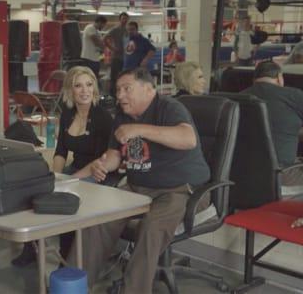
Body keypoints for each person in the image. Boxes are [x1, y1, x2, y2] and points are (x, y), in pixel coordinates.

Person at [70, 67, 211, 294]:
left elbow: (188, 138)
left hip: (179, 190)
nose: (120, 95)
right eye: (118, 90)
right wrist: (101, 165)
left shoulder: (169, 107)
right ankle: (73, 286)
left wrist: (139, 129)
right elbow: (115, 156)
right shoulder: (122, 118)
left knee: (151, 229)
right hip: (136, 188)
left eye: (127, 89)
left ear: (148, 89)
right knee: (98, 220)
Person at [11, 66, 113, 267]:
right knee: (37, 192)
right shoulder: (67, 113)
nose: (84, 91)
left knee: (65, 203)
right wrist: (55, 177)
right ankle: (32, 249)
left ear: (94, 88)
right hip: (74, 171)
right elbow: (61, 151)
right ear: (70, 90)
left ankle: (66, 259)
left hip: (97, 174)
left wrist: (69, 180)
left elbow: (101, 160)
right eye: (78, 86)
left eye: (89, 85)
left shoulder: (103, 117)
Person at [242, 61, 303, 200]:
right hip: (280, 176)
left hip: (241, 175)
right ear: (279, 77)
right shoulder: (292, 95)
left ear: (254, 80)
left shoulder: (239, 97)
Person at [104, 12, 129, 97]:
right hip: (116, 58)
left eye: (126, 19)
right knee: (114, 78)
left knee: (122, 78)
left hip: (125, 59)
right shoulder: (115, 29)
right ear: (120, 19)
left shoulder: (127, 31)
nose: (124, 20)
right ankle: (112, 97)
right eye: (123, 18)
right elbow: (104, 38)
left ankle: (120, 95)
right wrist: (112, 48)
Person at [81, 15, 107, 79]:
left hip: (95, 59)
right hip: (88, 58)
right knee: (88, 77)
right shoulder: (90, 28)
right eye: (103, 25)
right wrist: (104, 48)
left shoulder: (97, 32)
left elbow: (101, 43)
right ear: (100, 22)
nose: (104, 27)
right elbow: (97, 42)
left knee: (94, 78)